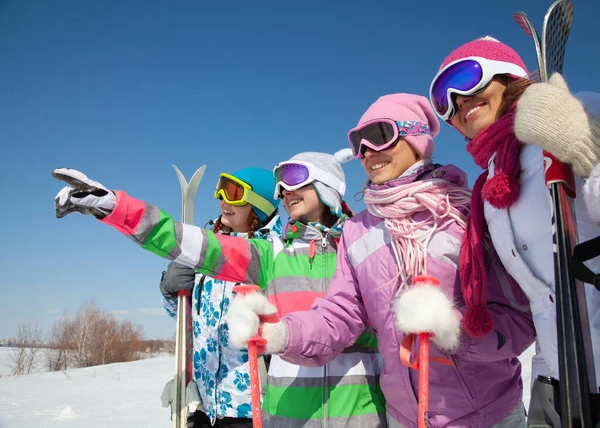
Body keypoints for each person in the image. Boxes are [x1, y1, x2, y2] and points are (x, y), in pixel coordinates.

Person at [225, 93, 536, 428]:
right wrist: (282, 334)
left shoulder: (463, 211)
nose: (368, 153)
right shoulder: (358, 232)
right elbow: (338, 316)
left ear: (415, 137)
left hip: (486, 414)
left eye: (379, 136)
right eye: (359, 144)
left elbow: (521, 316)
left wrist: (454, 330)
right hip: (404, 417)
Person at [52, 151, 386, 428]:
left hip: (358, 416)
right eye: (280, 185)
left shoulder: (365, 247)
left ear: (327, 186)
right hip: (286, 417)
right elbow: (184, 240)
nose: (284, 190)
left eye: (295, 178)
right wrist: (113, 207)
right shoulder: (271, 256)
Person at [427, 36, 600, 417]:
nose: (458, 100)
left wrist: (590, 153)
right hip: (557, 379)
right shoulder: (491, 186)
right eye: (444, 99)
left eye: (466, 78)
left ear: (509, 76)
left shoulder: (578, 113)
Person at [159, 168, 282, 427]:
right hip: (205, 405)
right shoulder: (207, 250)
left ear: (258, 206)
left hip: (251, 408)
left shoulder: (275, 255)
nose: (223, 200)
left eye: (234, 193)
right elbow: (185, 317)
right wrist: (171, 290)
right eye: (220, 190)